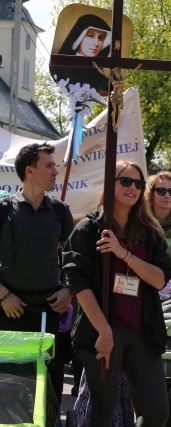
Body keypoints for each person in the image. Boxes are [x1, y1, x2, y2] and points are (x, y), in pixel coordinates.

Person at [62, 160, 171, 427]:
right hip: (103, 330)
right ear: (109, 184)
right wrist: (104, 331)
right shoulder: (88, 229)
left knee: (158, 411)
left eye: (138, 184)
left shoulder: (150, 231)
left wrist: (123, 254)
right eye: (125, 181)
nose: (132, 188)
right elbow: (79, 283)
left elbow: (159, 280)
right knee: (104, 411)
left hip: (141, 331)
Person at [0, 143, 74, 403]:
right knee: (7, 385)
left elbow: (74, 261)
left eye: (55, 165)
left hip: (48, 312)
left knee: (47, 386)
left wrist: (68, 290)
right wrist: (3, 296)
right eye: (49, 165)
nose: (56, 171)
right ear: (30, 171)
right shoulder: (3, 210)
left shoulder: (60, 211)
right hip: (7, 311)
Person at [50, 14, 112, 92]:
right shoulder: (58, 69)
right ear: (79, 37)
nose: (96, 43)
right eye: (91, 36)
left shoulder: (104, 82)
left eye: (100, 38)